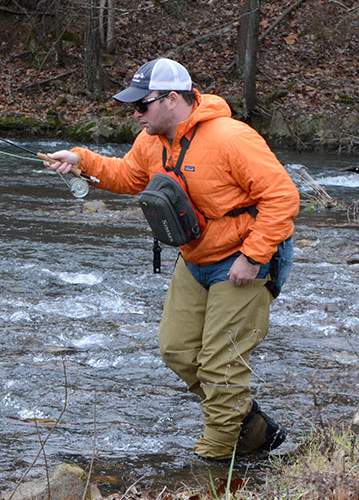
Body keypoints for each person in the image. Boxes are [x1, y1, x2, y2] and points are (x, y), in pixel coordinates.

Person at [43, 57, 299, 462]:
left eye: (142, 106)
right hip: (195, 257)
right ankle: (252, 430)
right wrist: (82, 162)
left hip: (246, 259)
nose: (135, 114)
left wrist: (252, 257)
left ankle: (213, 463)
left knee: (220, 365)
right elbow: (128, 177)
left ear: (173, 99)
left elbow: (283, 197)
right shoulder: (151, 141)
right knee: (177, 350)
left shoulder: (232, 138)